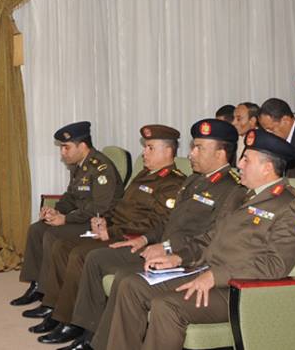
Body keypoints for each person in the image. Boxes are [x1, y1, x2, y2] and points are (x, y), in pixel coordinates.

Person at [94, 129, 295, 350]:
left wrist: (216, 276)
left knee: (166, 306)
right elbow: (210, 237)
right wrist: (178, 257)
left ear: (267, 168)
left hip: (240, 289)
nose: (239, 165)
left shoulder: (291, 206)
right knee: (132, 285)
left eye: (246, 160)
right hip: (205, 269)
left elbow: (274, 265)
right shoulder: (240, 194)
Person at [56, 119, 246, 350]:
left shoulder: (233, 190)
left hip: (190, 260)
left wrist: (168, 249)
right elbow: (169, 221)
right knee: (118, 274)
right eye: (193, 147)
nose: (191, 154)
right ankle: (98, 341)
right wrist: (145, 239)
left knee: (127, 280)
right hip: (165, 248)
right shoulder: (195, 180)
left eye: (199, 148)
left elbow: (211, 238)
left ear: (221, 153)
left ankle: (97, 343)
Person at [29, 125, 187, 344]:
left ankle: (80, 326)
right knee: (62, 245)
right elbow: (121, 208)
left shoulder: (173, 182)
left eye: (150, 148)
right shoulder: (144, 174)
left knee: (81, 255)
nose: (144, 152)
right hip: (116, 231)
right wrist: (105, 223)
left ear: (168, 152)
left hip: (135, 241)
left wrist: (112, 231)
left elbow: (156, 225)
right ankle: (58, 311)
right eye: (145, 147)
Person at [11, 121, 124, 309]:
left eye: (66, 147)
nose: (62, 152)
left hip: (100, 224)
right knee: (37, 229)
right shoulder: (79, 165)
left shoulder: (101, 168)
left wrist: (66, 219)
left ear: (83, 146)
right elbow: (71, 195)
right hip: (82, 218)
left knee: (52, 234)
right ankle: (37, 285)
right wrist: (57, 210)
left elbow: (100, 208)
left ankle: (51, 297)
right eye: (61, 148)